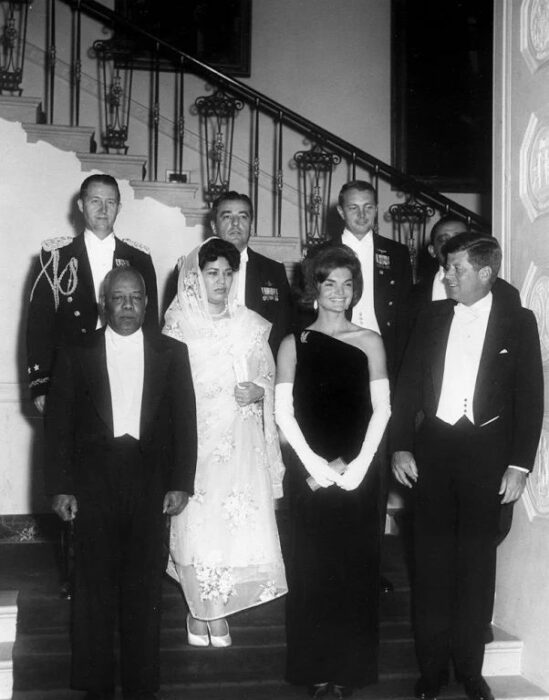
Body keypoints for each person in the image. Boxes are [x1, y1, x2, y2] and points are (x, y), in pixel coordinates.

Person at [390, 234, 543, 700]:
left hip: (489, 458)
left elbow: (530, 397)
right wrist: (400, 446)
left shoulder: (519, 321)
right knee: (431, 565)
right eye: (446, 267)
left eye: (456, 268)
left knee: (477, 567)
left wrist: (520, 465)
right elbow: (409, 386)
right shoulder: (432, 315)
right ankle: (432, 670)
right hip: (432, 452)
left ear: (485, 272)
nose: (446, 275)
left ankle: (471, 671)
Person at [44, 267, 197, 700]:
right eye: (118, 298)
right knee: (92, 584)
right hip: (93, 481)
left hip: (150, 481)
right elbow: (57, 427)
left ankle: (141, 681)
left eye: (135, 298)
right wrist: (60, 486)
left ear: (147, 304)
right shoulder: (76, 352)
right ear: (103, 303)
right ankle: (93, 681)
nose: (127, 306)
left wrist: (181, 482)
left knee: (144, 585)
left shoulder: (172, 353)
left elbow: (186, 422)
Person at [276, 245, 391, 698]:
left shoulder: (370, 341)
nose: (339, 293)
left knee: (355, 573)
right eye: (330, 284)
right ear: (314, 289)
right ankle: (316, 670)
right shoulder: (293, 343)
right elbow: (285, 417)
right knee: (311, 573)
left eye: (347, 284)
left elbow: (382, 411)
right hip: (310, 476)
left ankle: (350, 670)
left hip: (360, 476)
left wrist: (358, 467)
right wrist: (319, 469)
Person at [162, 237, 287, 647]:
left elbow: (268, 377)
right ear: (196, 276)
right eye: (212, 272)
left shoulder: (249, 323)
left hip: (239, 443)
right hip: (195, 440)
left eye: (228, 273)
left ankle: (215, 609)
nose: (221, 280)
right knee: (195, 525)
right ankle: (201, 610)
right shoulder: (178, 324)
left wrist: (258, 391)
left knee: (229, 527)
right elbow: (165, 390)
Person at [27, 173, 158, 415]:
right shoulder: (55, 256)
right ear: (81, 205)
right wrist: (40, 384)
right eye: (95, 201)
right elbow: (39, 326)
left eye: (110, 202)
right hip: (69, 372)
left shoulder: (139, 258)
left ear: (119, 207)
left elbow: (149, 323)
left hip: (125, 370)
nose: (103, 209)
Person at [332, 180, 413, 384]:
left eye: (368, 207)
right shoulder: (322, 253)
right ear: (341, 211)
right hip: (335, 346)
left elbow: (405, 312)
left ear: (376, 209)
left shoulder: (397, 253)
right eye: (353, 208)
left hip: (383, 351)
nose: (362, 215)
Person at [210, 190, 293, 358]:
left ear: (251, 226)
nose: (235, 224)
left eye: (243, 217)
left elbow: (285, 330)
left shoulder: (274, 271)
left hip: (260, 372)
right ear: (213, 226)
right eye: (227, 217)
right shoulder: (194, 268)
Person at [408, 216, 521, 329]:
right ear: (432, 250)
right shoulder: (414, 295)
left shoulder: (505, 292)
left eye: (459, 238)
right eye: (443, 240)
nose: (451, 244)